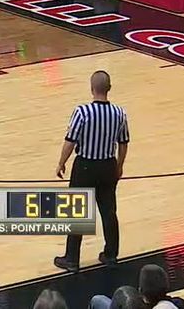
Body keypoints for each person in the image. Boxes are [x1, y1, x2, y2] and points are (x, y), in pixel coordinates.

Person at [54, 70, 129, 273]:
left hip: (85, 166)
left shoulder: (82, 112)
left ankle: (72, 259)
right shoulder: (120, 113)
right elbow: (123, 143)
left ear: (91, 88)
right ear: (109, 88)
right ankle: (111, 255)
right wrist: (119, 166)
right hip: (108, 166)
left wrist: (61, 162)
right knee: (109, 211)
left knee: (77, 212)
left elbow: (70, 141)